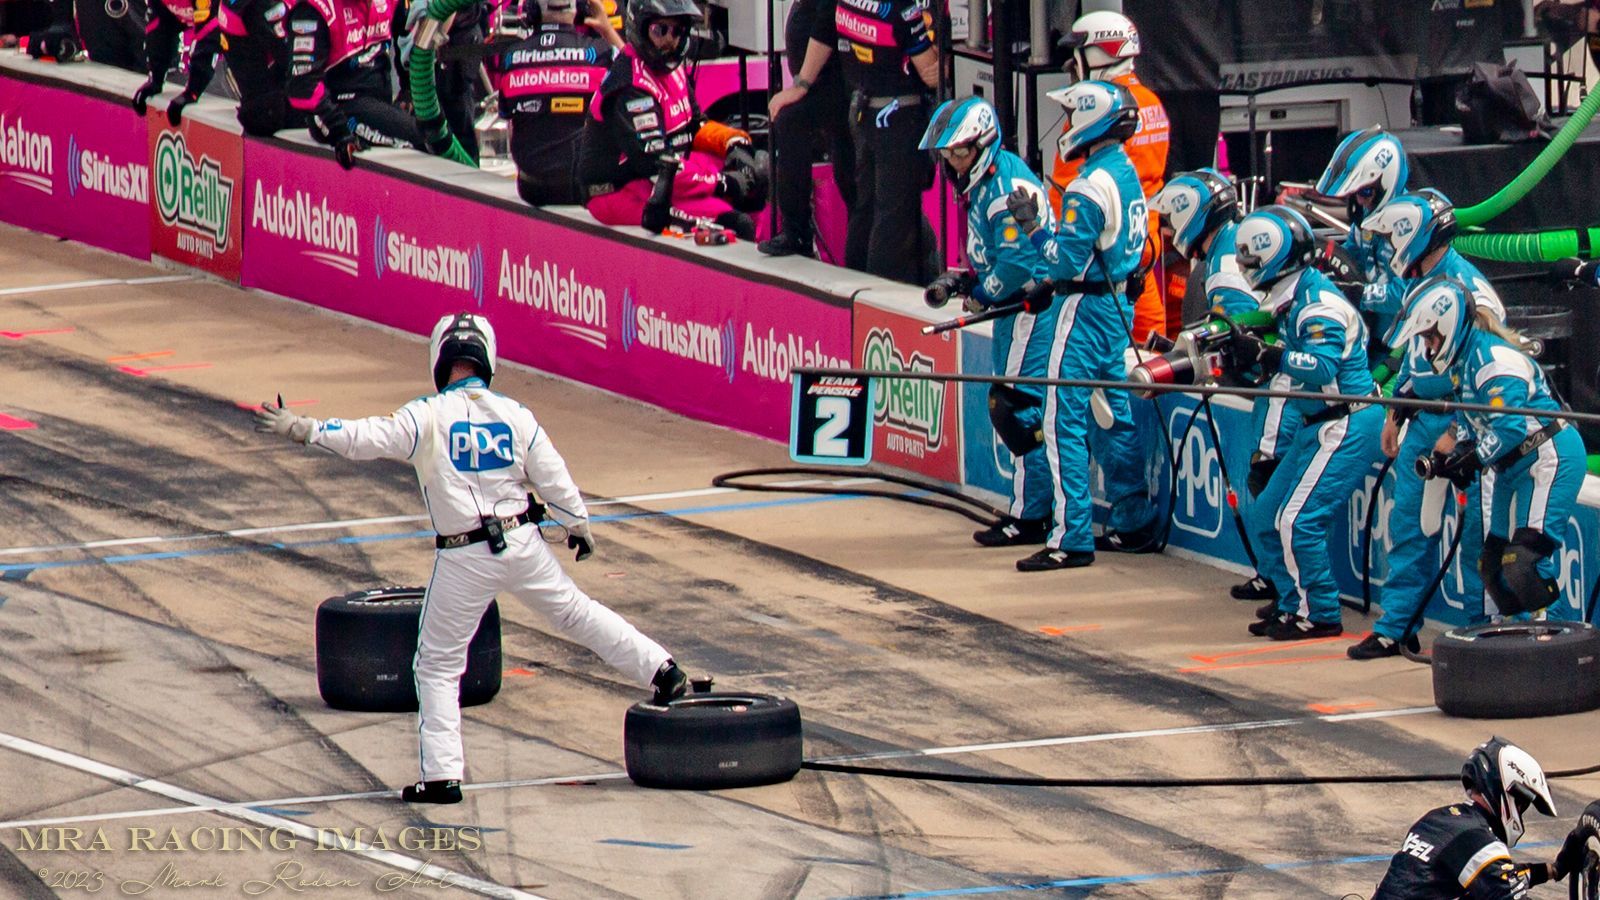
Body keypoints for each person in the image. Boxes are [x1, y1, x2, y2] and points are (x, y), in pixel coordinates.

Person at [253, 313, 689, 804]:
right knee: (576, 613)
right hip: (521, 541)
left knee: (438, 664)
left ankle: (442, 778)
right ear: (488, 356)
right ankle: (664, 671)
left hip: (463, 556)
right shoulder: (517, 414)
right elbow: (554, 476)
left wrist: (306, 429)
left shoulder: (427, 415)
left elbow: (366, 437)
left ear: (440, 359)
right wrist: (578, 526)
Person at [1347, 189, 1508, 658]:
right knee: (1408, 525)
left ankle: (1489, 636)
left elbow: (1490, 374)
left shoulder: (1473, 294)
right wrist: (1395, 409)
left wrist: (1458, 431)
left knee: (1480, 534)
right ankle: (1397, 627)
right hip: (1421, 419)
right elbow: (1414, 354)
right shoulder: (1418, 279)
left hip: (1474, 429)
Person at [1004, 80, 1156, 571]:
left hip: (1085, 312)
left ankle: (1071, 537)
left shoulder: (1090, 185)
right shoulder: (1126, 173)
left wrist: (1033, 227)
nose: (1065, 126)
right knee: (1115, 415)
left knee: (1060, 418)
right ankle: (1133, 522)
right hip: (1117, 311)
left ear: (1090, 122)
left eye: (1071, 116)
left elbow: (1063, 263)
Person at [1389, 273, 1587, 620]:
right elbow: (1471, 422)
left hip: (1547, 457)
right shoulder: (1463, 364)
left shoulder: (1494, 360)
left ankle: (1558, 641)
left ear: (1448, 326)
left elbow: (1509, 427)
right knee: (1491, 564)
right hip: (1513, 466)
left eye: (1430, 337)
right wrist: (1451, 454)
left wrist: (1473, 458)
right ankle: (1512, 641)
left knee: (1524, 561)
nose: (1428, 348)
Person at [1231, 205, 1383, 639]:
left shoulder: (1319, 306)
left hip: (1348, 422)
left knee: (1297, 521)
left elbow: (1320, 367)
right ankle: (1289, 599)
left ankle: (1320, 614)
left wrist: (1267, 354)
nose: (1244, 269)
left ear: (1273, 258)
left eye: (1249, 262)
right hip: (1316, 422)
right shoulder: (1293, 296)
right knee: (1263, 514)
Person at [919, 97, 1055, 547]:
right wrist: (968, 281)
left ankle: (1034, 514)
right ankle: (1027, 506)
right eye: (947, 154)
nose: (952, 162)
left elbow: (1017, 262)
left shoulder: (1006, 185)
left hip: (1030, 309)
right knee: (1013, 404)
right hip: (1012, 312)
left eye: (958, 152)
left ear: (983, 145)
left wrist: (982, 293)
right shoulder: (985, 183)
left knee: (1016, 408)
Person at [1152, 168, 1289, 605]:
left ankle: (1282, 583)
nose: (1170, 230)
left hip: (1278, 390)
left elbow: (1240, 334)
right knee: (1264, 484)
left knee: (1267, 483)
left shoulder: (1226, 266)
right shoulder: (1227, 248)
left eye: (1173, 219)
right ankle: (1273, 575)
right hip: (1270, 389)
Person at [577, 0, 766, 239]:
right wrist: (723, 183)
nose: (670, 40)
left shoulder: (672, 70)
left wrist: (734, 144)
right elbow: (656, 164)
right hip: (618, 193)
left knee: (757, 173)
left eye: (677, 31)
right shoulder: (630, 87)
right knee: (737, 223)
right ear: (640, 27)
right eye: (660, 30)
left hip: (658, 180)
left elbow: (696, 124)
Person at [1052, 10, 1170, 342]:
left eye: (1076, 54)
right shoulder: (1151, 103)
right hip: (1144, 243)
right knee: (1152, 349)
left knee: (1099, 354)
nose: (1072, 65)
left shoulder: (1095, 114)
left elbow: (1064, 192)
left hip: (1104, 256)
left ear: (1097, 53)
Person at [1371, 736, 1583, 898]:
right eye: (1522, 805)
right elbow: (1506, 892)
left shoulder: (1439, 820)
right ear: (1510, 794)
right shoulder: (1476, 838)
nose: (1520, 811)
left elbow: (1499, 879)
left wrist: (1553, 870)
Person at [485, 0, 621, 206]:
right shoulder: (602, 53)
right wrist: (607, 29)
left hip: (532, 189)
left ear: (531, 10)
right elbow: (642, 75)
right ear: (581, 9)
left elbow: (509, 120)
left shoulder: (511, 57)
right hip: (584, 191)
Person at [758, 0, 854, 259]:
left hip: (839, 83)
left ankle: (797, 231)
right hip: (829, 84)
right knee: (852, 180)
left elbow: (826, 26)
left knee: (790, 120)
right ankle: (798, 231)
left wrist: (802, 84)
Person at [285, 0, 426, 170]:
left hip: (379, 104)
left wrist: (409, 91)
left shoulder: (392, 3)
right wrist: (339, 129)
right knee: (424, 139)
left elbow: (407, 40)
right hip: (338, 112)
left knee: (442, 127)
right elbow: (302, 87)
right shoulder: (314, 9)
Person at [1313, 125, 1411, 343]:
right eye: (1354, 193)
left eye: (1365, 192)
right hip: (1374, 333)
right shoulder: (1364, 220)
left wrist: (1358, 294)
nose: (1359, 201)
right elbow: (1347, 261)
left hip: (1407, 341)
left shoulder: (1412, 226)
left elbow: (1407, 295)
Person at [132, 0, 223, 125]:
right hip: (195, 14)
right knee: (159, 26)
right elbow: (158, 26)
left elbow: (208, 34)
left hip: (236, 26)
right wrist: (155, 79)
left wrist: (193, 91)